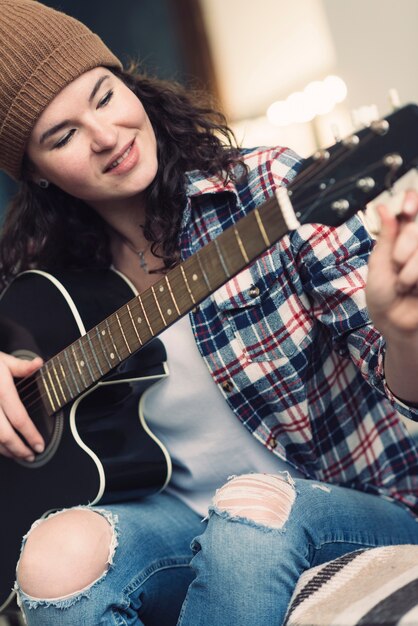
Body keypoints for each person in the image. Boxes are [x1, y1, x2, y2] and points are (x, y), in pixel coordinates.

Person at [0, 1, 418, 625]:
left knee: (246, 512)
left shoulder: (266, 191)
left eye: (106, 96)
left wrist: (403, 331)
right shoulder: (44, 281)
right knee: (51, 558)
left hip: (343, 507)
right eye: (63, 136)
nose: (107, 136)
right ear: (34, 174)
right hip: (174, 529)